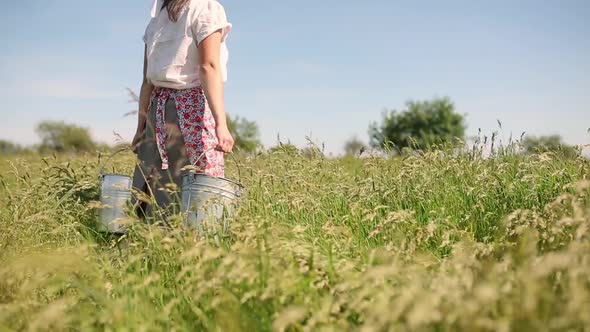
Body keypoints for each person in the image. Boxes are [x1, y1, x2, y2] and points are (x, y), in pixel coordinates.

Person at [131, 0, 234, 219]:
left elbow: (147, 81)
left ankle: (149, 244)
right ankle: (191, 245)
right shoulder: (206, 8)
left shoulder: (156, 21)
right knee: (196, 186)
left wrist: (140, 128)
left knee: (153, 184)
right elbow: (209, 66)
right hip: (191, 108)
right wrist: (221, 124)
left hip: (156, 108)